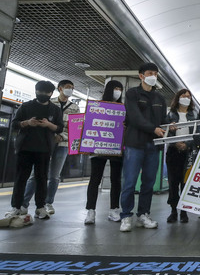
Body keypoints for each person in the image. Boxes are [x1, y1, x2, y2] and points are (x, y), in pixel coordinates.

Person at [119, 62, 167, 232]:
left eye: (155, 73)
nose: (153, 76)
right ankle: (125, 215)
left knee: (149, 182)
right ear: (141, 76)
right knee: (130, 182)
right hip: (134, 144)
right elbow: (134, 117)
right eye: (150, 73)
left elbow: (163, 120)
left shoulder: (159, 98)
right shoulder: (132, 94)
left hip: (153, 146)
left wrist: (169, 126)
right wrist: (153, 128)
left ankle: (143, 214)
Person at [6, 80, 63, 219]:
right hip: (24, 148)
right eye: (40, 91)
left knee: (42, 179)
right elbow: (14, 124)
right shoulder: (26, 106)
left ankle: (40, 207)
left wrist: (48, 124)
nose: (43, 94)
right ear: (36, 91)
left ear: (51, 93)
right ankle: (16, 207)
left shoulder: (55, 110)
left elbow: (60, 128)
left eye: (46, 92)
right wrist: (27, 123)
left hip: (44, 149)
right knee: (21, 178)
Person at [22, 79, 80, 215]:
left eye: (72, 88)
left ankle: (48, 203)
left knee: (54, 176)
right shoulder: (50, 103)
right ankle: (24, 203)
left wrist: (62, 136)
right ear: (59, 88)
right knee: (35, 175)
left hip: (63, 145)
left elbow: (76, 127)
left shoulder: (74, 107)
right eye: (67, 87)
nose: (70, 90)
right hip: (45, 143)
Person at [84, 80, 124, 225]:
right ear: (108, 90)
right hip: (98, 148)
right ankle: (90, 211)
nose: (118, 91)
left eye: (120, 89)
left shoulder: (123, 108)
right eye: (115, 88)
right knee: (95, 179)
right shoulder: (97, 106)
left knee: (116, 180)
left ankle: (114, 209)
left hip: (116, 149)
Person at [165, 88, 197, 224]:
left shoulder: (193, 115)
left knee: (185, 182)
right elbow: (165, 132)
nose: (186, 98)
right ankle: (173, 210)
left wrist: (187, 144)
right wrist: (175, 142)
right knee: (173, 182)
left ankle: (184, 211)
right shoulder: (170, 114)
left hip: (188, 152)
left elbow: (197, 133)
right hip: (173, 152)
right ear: (178, 98)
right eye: (183, 96)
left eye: (188, 96)